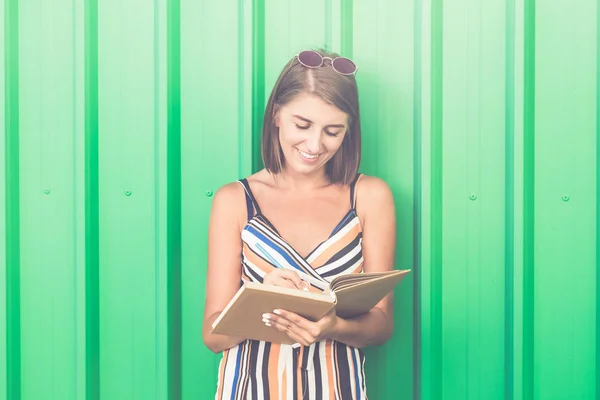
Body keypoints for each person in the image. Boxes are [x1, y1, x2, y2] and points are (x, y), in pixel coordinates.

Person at [202, 49, 397, 399]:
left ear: (348, 131)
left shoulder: (369, 196)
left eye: (332, 131)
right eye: (302, 125)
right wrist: (259, 300)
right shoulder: (234, 200)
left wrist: (333, 326)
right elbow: (213, 336)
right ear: (277, 115)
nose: (314, 144)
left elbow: (381, 325)